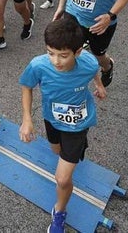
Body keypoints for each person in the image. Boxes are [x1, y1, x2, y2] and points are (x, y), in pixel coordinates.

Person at [19, 17, 106, 233]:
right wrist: (27, 119)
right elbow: (26, 87)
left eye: (63, 55)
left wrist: (99, 84)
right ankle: (69, 155)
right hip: (52, 119)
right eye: (51, 53)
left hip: (78, 124)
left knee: (63, 178)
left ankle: (59, 212)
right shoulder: (38, 66)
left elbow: (94, 70)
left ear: (77, 52)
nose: (56, 61)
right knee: (56, 150)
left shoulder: (88, 62)